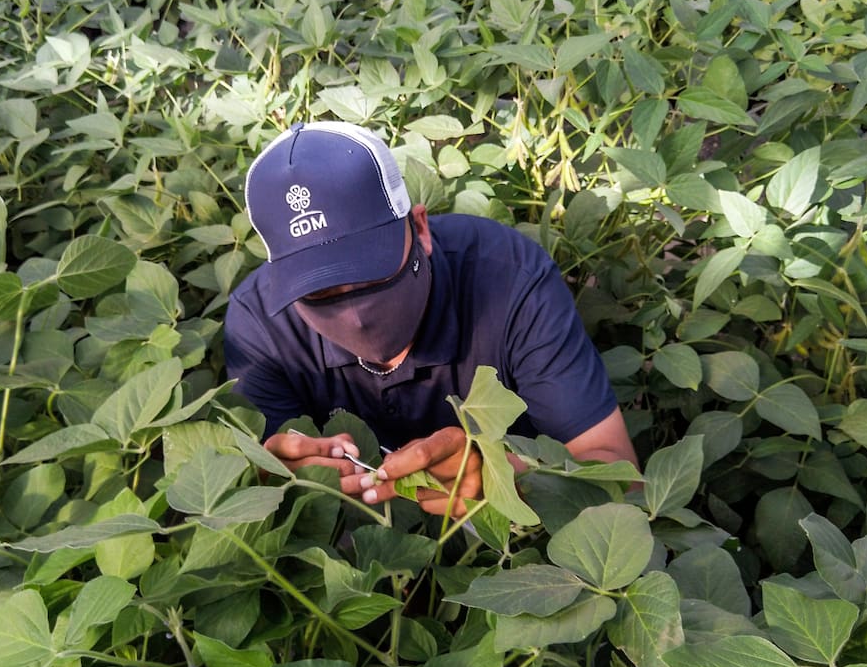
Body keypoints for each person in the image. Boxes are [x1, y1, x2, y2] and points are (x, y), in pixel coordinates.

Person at [224, 121, 637, 517]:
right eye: (318, 291)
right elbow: (272, 474)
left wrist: (505, 477)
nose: (354, 316)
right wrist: (268, 478)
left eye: (373, 272)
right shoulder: (260, 326)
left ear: (420, 228)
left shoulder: (511, 282)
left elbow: (622, 479)